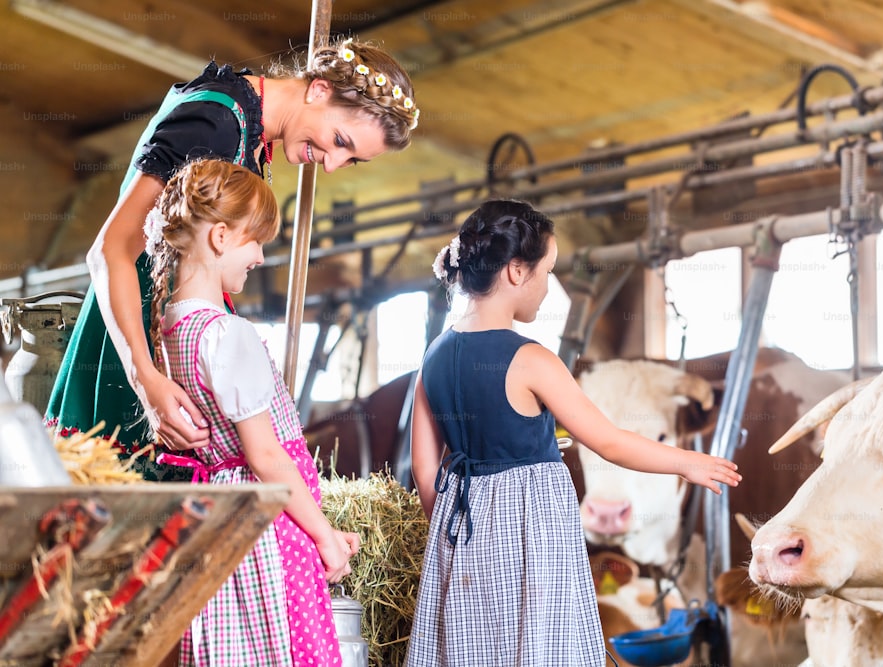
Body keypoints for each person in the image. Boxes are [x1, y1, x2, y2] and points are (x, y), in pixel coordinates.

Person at [46, 36, 418, 480]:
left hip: (172, 349)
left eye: (352, 160)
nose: (334, 164)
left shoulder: (249, 127)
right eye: (340, 140)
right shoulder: (217, 120)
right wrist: (146, 380)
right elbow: (108, 252)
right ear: (318, 90)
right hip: (136, 353)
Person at [404, 199, 742, 667]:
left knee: (471, 644)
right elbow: (608, 441)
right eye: (547, 272)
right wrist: (688, 461)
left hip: (461, 530)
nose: (546, 288)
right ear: (517, 272)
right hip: (531, 535)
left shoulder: (433, 356)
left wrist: (452, 535)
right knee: (541, 645)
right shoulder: (533, 360)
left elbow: (424, 466)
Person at [144, 157, 360, 665]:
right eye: (254, 240)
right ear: (219, 237)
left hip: (221, 524)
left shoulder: (168, 330)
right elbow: (264, 456)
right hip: (268, 526)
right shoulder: (227, 333)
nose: (261, 257)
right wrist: (323, 535)